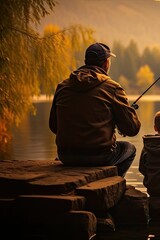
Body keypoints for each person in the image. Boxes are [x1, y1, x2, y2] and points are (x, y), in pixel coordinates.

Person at [49, 42, 141, 177]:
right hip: (99, 157)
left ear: (87, 61)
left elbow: (53, 126)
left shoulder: (62, 86)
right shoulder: (112, 88)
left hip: (66, 155)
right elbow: (132, 129)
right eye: (109, 61)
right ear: (105, 63)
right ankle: (113, 182)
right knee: (129, 149)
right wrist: (128, 113)